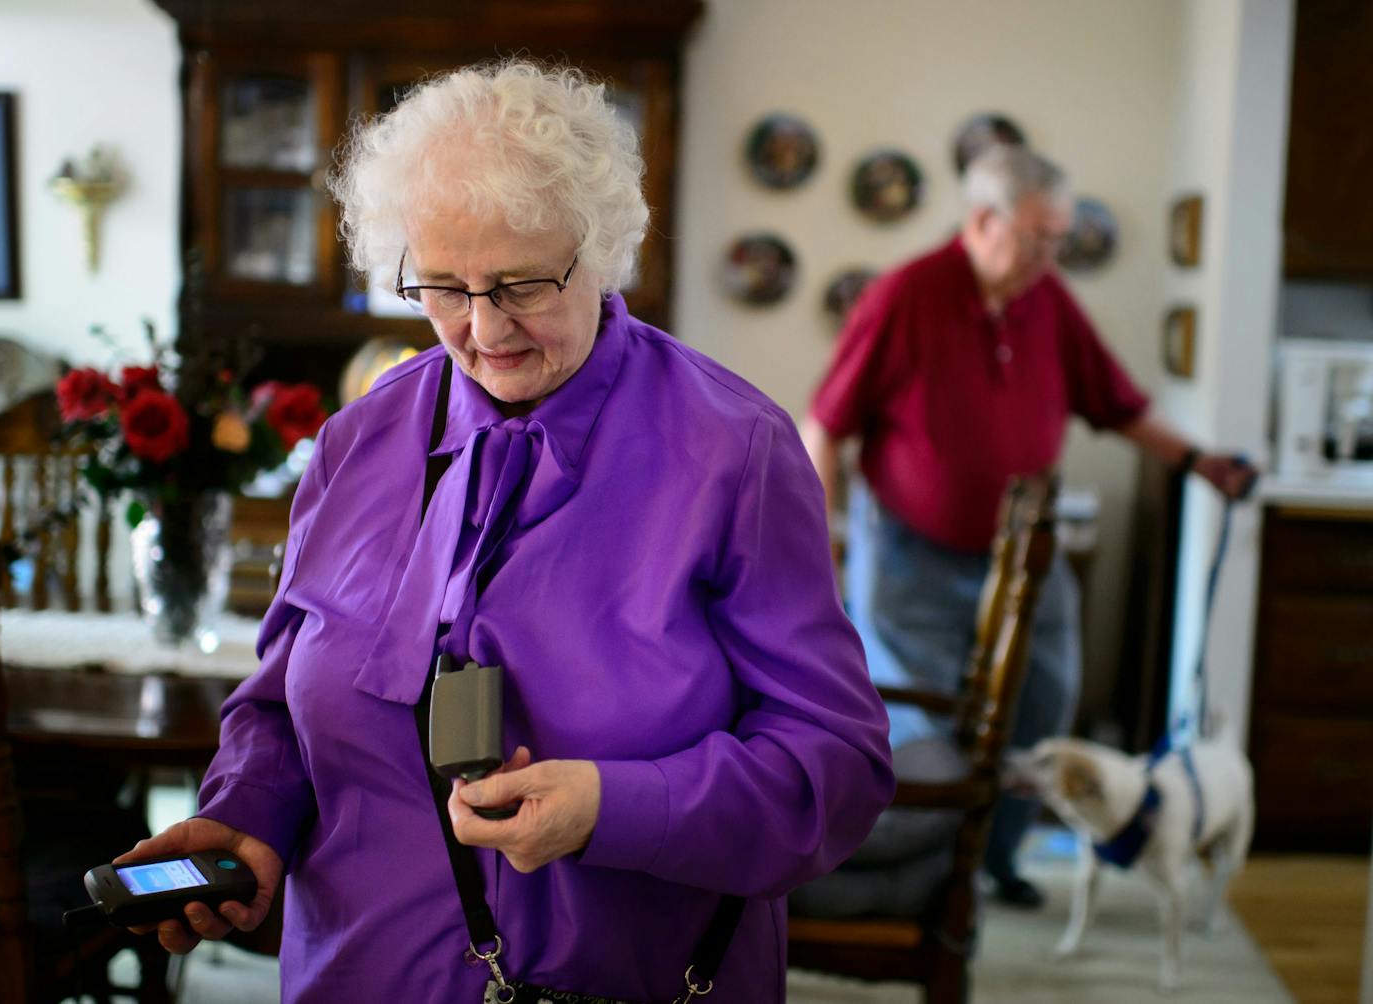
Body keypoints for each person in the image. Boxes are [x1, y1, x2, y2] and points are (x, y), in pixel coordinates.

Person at [117, 60, 895, 1002]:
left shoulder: (734, 451)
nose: (484, 331)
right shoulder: (355, 444)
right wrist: (247, 815)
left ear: (600, 251)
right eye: (442, 286)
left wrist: (616, 809)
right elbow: (284, 699)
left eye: (523, 285)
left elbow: (836, 767)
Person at [800, 145, 1255, 910]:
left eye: (1061, 239)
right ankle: (931, 876)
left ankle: (995, 861)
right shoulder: (906, 295)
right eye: (1041, 237)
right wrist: (821, 555)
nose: (1053, 255)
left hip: (1025, 551)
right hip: (915, 552)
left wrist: (1201, 461)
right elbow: (823, 427)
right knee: (928, 724)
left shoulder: (1048, 300)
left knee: (1044, 701)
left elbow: (1118, 403)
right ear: (984, 221)